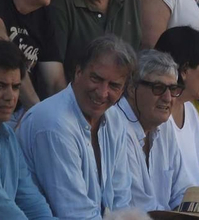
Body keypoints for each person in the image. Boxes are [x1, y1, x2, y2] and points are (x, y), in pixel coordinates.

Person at [17, 33, 139, 220]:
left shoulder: (114, 119)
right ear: (78, 72)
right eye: (96, 79)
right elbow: (74, 214)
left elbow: (121, 203)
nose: (102, 92)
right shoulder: (54, 123)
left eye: (114, 85)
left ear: (123, 90)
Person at [0, 40, 54, 220]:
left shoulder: (8, 135)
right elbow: (0, 208)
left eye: (15, 87)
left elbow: (31, 200)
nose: (10, 97)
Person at [118, 49, 194, 211]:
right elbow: (138, 207)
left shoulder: (163, 123)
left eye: (173, 89)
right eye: (158, 88)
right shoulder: (116, 126)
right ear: (132, 88)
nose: (167, 98)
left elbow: (183, 191)